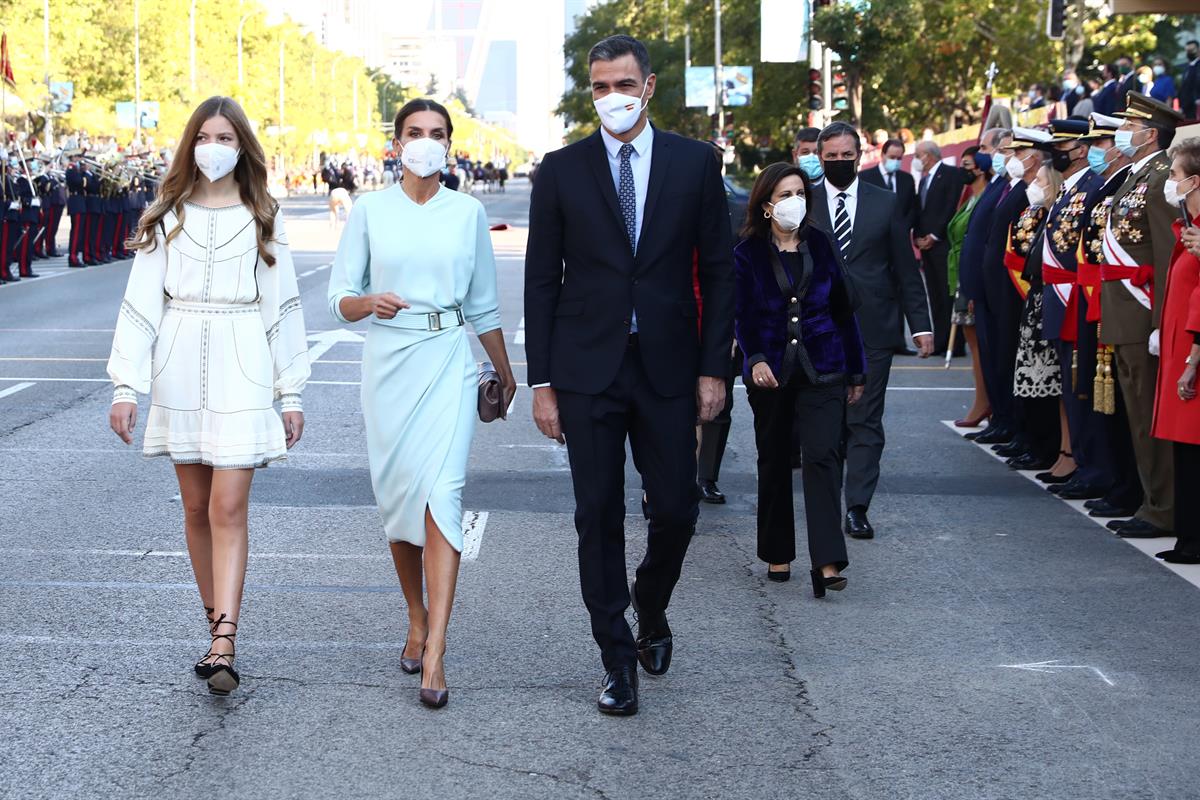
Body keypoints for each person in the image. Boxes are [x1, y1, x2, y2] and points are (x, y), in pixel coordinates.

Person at [524, 34, 734, 716]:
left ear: (648, 87)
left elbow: (719, 271)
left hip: (669, 366)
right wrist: (543, 381)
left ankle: (651, 599)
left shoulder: (695, 163)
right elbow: (540, 282)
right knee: (598, 515)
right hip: (586, 371)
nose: (611, 97)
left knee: (676, 507)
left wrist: (713, 368)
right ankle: (616, 657)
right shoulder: (560, 170)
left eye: (623, 84)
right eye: (599, 87)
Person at [107, 96, 311, 696]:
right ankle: (215, 627)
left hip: (243, 360)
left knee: (227, 506)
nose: (214, 147)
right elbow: (141, 305)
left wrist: (291, 391)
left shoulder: (262, 217)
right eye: (205, 136)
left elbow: (283, 309)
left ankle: (225, 640)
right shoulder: (165, 217)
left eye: (226, 137)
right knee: (195, 509)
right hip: (177, 362)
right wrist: (126, 385)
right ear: (190, 144)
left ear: (241, 146)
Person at [327, 98, 515, 710]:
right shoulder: (369, 209)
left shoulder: (468, 212)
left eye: (436, 134)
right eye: (414, 132)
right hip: (388, 365)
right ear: (396, 142)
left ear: (450, 145)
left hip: (448, 360)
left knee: (443, 496)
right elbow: (340, 297)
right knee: (399, 502)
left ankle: (436, 647)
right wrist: (367, 303)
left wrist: (505, 371)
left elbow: (483, 303)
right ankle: (415, 612)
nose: (425, 142)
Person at [734, 162, 865, 592]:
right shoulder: (747, 252)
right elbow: (743, 315)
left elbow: (844, 312)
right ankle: (777, 552)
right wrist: (754, 359)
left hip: (824, 366)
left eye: (800, 194)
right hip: (770, 371)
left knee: (824, 457)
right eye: (785, 195)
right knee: (773, 459)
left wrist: (856, 369)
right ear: (766, 204)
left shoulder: (822, 245)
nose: (795, 202)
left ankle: (827, 561)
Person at [807, 121, 933, 539]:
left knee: (864, 418)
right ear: (819, 158)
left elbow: (904, 267)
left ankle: (857, 506)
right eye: (832, 157)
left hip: (873, 328)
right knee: (825, 421)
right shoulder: (802, 201)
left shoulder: (886, 202)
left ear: (860, 157)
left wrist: (921, 326)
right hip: (816, 329)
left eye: (848, 156)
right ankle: (824, 502)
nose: (840, 162)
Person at [1099, 92, 1183, 540]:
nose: (1120, 133)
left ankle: (1162, 508)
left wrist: (1160, 322)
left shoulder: (1162, 176)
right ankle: (1150, 501)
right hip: (1124, 312)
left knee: (1150, 416)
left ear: (1150, 133)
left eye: (1129, 125)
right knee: (1136, 415)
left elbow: (1168, 251)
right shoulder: (1137, 176)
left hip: (1142, 312)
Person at [1076, 113, 1143, 523]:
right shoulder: (1115, 182)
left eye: (1111, 138)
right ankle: (1121, 483)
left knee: (1125, 403)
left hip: (1130, 301)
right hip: (1104, 297)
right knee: (1111, 399)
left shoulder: (1141, 180)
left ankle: (1130, 488)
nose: (1102, 148)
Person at [975, 128, 1049, 455]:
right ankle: (1010, 423)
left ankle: (1024, 430)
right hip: (996, 285)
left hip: (1015, 287)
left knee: (1015, 357)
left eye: (1017, 152)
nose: (1011, 158)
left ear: (1035, 156)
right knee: (1001, 356)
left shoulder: (1032, 190)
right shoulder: (1010, 186)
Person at [1150, 137, 1200, 564]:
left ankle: (1195, 539)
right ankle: (1188, 537)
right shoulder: (1190, 229)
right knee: (1185, 452)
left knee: (1194, 452)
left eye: (1176, 175)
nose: (1171, 181)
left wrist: (1191, 362)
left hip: (1194, 354)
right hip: (1179, 349)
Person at [947, 146, 992, 427]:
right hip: (960, 275)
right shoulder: (969, 197)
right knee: (974, 342)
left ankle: (984, 401)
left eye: (968, 164)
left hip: (973, 277)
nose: (963, 169)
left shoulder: (985, 197)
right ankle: (983, 399)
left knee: (979, 345)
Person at [913, 140, 962, 355]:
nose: (916, 159)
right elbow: (921, 211)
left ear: (928, 155)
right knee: (934, 296)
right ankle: (940, 341)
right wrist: (918, 237)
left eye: (918, 154)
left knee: (947, 294)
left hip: (943, 245)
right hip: (926, 246)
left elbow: (950, 206)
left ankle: (955, 344)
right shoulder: (924, 181)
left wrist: (934, 235)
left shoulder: (950, 173)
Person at [859, 137, 916, 231]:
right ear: (882, 155)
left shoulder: (907, 179)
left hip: (901, 235)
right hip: (874, 235)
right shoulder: (865, 177)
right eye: (892, 157)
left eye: (899, 158)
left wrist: (904, 227)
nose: (896, 161)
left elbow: (912, 208)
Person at [1179, 40, 1199, 121]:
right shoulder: (1187, 67)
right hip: (1187, 108)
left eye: (1192, 50)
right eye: (1188, 50)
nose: (1190, 53)